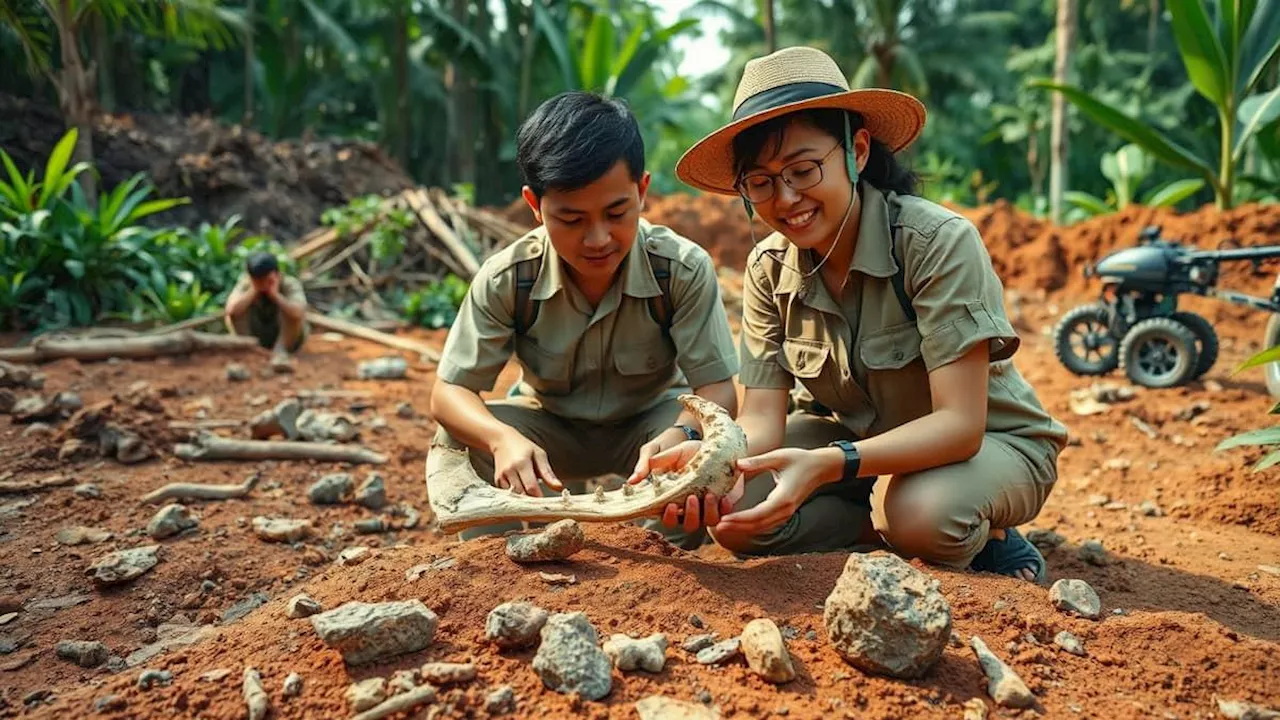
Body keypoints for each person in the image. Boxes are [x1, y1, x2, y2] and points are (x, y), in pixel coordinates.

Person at [638, 46, 1068, 582]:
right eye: (761, 182)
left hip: (988, 444)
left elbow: (960, 425)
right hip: (854, 446)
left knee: (920, 515)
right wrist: (704, 457)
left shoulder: (935, 243)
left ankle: (983, 534)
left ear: (856, 151)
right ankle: (871, 533)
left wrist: (830, 463)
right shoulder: (768, 269)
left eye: (802, 169)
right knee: (735, 515)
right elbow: (762, 422)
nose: (786, 198)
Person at [428, 91, 740, 549]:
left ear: (642, 191)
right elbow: (449, 393)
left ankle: (651, 555)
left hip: (650, 426)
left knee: (696, 460)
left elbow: (718, 392)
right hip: (550, 429)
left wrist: (682, 434)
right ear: (534, 205)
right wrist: (500, 440)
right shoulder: (507, 278)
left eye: (616, 213)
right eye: (570, 219)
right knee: (461, 438)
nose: (597, 239)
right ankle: (503, 555)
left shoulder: (681, 269)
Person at [223, 252, 309, 369]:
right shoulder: (246, 284)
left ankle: (280, 351)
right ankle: (250, 349)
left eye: (266, 280)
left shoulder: (289, 284)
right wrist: (254, 291)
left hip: (287, 338)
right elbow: (231, 310)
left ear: (277, 275)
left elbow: (298, 312)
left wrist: (275, 296)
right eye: (258, 280)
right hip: (256, 336)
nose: (263, 284)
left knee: (292, 313)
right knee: (235, 313)